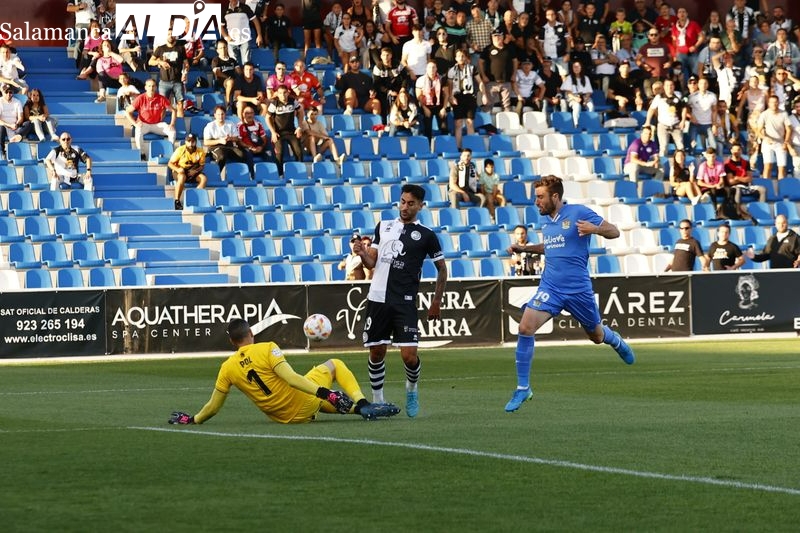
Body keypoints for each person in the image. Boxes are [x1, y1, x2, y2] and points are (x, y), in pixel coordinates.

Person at [503, 175, 635, 412]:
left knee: (595, 336)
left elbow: (614, 231)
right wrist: (524, 248)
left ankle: (613, 339)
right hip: (550, 288)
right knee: (525, 328)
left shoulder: (578, 213)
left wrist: (594, 229)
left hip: (578, 290)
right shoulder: (548, 223)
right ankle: (523, 388)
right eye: (536, 197)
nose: (536, 202)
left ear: (555, 196)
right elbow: (550, 247)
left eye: (540, 197)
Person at [167, 319, 400, 425]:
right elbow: (291, 378)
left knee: (316, 397)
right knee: (335, 364)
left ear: (232, 341)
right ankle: (362, 403)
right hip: (305, 402)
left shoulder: (227, 367)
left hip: (285, 419)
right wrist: (327, 393)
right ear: (251, 334)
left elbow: (213, 407)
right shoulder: (267, 347)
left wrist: (193, 419)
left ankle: (355, 410)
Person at [351, 183, 448, 418]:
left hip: (405, 301)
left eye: (411, 203)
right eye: (403, 202)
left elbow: (442, 269)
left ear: (421, 206)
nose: (405, 207)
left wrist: (436, 301)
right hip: (377, 298)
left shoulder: (427, 235)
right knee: (376, 352)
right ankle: (377, 402)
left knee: (409, 356)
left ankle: (412, 389)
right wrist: (363, 253)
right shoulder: (383, 227)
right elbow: (372, 263)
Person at [204, 104, 255, 179]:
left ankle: (241, 176)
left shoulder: (230, 123)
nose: (220, 116)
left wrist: (230, 138)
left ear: (225, 114)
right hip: (215, 146)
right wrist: (220, 141)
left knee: (242, 154)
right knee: (221, 157)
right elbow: (206, 142)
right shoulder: (210, 126)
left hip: (229, 145)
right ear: (215, 115)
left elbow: (237, 138)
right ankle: (216, 176)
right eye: (218, 114)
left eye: (222, 114)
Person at [125, 78, 176, 152]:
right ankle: (141, 153)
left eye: (153, 86)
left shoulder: (161, 98)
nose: (151, 88)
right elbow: (128, 112)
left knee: (172, 131)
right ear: (145, 87)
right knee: (138, 130)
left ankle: (169, 151)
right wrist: (135, 124)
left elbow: (173, 110)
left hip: (157, 124)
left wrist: (172, 124)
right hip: (144, 124)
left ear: (156, 87)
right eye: (149, 86)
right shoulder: (140, 98)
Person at [149, 29, 188, 122]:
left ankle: (180, 126)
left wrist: (185, 73)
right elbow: (150, 62)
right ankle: (160, 125)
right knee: (162, 105)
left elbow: (186, 63)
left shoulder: (181, 48)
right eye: (168, 34)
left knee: (180, 104)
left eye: (172, 34)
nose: (170, 36)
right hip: (164, 82)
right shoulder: (160, 48)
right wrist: (160, 62)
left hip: (177, 81)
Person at [266, 85, 304, 176]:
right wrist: (273, 132)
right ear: (277, 94)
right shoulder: (274, 103)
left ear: (288, 93)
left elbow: (301, 111)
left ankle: (300, 173)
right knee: (279, 153)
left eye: (284, 93)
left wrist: (299, 127)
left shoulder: (292, 101)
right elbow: (267, 118)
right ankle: (280, 175)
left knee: (298, 151)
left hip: (291, 132)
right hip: (278, 133)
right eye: (280, 93)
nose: (283, 95)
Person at [479, 29, 517, 112]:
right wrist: (483, 75)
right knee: (488, 105)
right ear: (492, 38)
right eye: (495, 36)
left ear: (503, 37)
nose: (497, 38)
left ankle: (507, 124)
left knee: (506, 106)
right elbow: (480, 62)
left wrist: (514, 74)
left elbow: (515, 61)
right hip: (491, 82)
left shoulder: (509, 48)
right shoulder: (487, 49)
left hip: (506, 81)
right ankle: (487, 124)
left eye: (499, 35)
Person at [756, 94, 792, 180]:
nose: (774, 104)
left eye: (776, 102)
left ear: (778, 103)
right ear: (768, 103)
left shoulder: (784, 114)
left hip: (780, 142)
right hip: (767, 143)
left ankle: (782, 188)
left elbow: (789, 129)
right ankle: (766, 186)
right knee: (767, 166)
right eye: (772, 102)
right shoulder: (764, 114)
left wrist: (786, 142)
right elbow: (758, 130)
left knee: (782, 167)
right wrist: (765, 138)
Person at [448, 48, 479, 148]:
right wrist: (451, 96)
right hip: (457, 97)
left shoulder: (472, 68)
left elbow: (480, 82)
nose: (461, 58)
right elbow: (450, 85)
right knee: (458, 123)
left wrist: (484, 95)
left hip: (469, 96)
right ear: (455, 58)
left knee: (470, 122)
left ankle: (471, 147)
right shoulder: (452, 70)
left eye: (463, 56)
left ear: (466, 57)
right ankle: (459, 147)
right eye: (459, 56)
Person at [168, 133, 207, 211]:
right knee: (182, 176)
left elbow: (202, 165)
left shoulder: (200, 151)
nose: (190, 144)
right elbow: (170, 163)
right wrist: (178, 169)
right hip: (180, 170)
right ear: (185, 142)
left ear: (196, 142)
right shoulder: (180, 150)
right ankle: (177, 201)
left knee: (203, 179)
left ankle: (194, 199)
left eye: (192, 142)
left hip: (193, 171)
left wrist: (195, 171)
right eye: (188, 141)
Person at [221, 0, 263, 65]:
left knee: (246, 62)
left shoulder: (245, 7)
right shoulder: (224, 10)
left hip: (245, 40)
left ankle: (246, 75)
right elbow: (221, 26)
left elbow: (255, 21)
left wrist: (259, 35)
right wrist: (226, 37)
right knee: (233, 64)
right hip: (231, 41)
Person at [415, 60, 448, 138]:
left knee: (444, 129)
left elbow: (446, 95)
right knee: (427, 130)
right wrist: (424, 108)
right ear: (426, 68)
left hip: (439, 106)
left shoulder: (441, 79)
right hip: (426, 106)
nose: (431, 69)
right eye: (429, 67)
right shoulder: (420, 80)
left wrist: (444, 108)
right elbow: (419, 96)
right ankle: (428, 148)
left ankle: (443, 147)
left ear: (436, 68)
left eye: (433, 67)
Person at [696, 147, 727, 212]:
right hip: (707, 187)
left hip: (717, 187)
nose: (711, 159)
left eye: (713, 156)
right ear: (706, 157)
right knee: (713, 190)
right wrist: (712, 186)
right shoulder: (702, 166)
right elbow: (699, 182)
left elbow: (721, 179)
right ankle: (715, 210)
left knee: (729, 190)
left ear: (715, 156)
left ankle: (726, 209)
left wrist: (719, 184)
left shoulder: (720, 165)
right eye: (709, 157)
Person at [211, 40, 239, 110]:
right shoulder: (216, 60)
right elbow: (217, 72)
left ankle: (236, 103)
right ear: (217, 50)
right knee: (230, 82)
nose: (223, 50)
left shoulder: (232, 60)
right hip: (222, 81)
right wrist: (228, 77)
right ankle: (228, 102)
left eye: (224, 47)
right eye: (220, 48)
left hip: (233, 80)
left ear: (227, 48)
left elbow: (239, 71)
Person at [0, 83, 25, 157]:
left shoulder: (17, 102)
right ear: (2, 92)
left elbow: (21, 117)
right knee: (1, 128)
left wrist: (16, 124)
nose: (8, 94)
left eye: (10, 92)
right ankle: (2, 151)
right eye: (6, 92)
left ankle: (17, 136)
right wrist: (9, 125)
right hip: (4, 126)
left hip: (15, 127)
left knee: (28, 124)